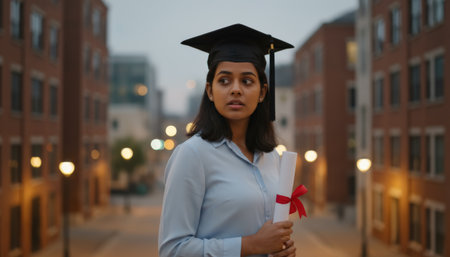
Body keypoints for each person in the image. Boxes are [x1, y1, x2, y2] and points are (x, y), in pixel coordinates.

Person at [158, 24, 295, 257]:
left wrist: (281, 249)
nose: (235, 90)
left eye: (247, 81)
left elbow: (269, 233)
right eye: (224, 81)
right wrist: (250, 245)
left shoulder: (271, 157)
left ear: (262, 93)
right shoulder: (192, 155)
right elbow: (172, 250)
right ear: (210, 91)